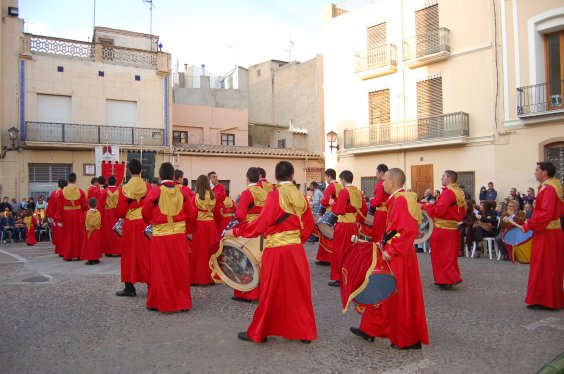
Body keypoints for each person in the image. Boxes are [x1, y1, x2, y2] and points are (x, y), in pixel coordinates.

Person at [225, 161, 316, 344]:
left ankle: (261, 332)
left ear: (275, 176)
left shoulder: (274, 196)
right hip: (296, 250)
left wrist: (236, 232)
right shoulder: (300, 196)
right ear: (291, 175)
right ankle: (304, 332)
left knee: (269, 291)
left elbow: (261, 223)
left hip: (276, 251)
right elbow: (309, 226)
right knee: (299, 291)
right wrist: (296, 241)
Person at [349, 168, 429, 350]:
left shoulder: (401, 201)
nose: (381, 183)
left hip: (398, 256)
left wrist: (391, 250)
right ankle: (370, 329)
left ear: (392, 183)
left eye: (384, 180)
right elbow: (398, 230)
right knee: (384, 292)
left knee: (397, 296)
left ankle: (407, 339)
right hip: (396, 253)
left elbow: (406, 231)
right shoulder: (400, 200)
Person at [142, 162, 196, 313]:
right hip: (178, 235)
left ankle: (159, 302)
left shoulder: (155, 192)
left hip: (160, 236)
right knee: (180, 268)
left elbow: (145, 213)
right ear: (174, 176)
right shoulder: (183, 192)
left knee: (161, 269)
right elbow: (192, 214)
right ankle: (183, 302)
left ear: (159, 176)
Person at [520, 162, 563, 310]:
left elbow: (546, 213)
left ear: (544, 172)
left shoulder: (549, 189)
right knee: (547, 266)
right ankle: (545, 298)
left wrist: (529, 224)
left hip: (547, 233)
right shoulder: (551, 187)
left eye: (537, 170)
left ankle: (545, 300)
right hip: (549, 231)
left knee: (544, 266)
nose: (535, 173)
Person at [115, 159, 152, 297]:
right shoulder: (148, 186)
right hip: (143, 221)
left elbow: (120, 210)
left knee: (129, 254)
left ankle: (129, 287)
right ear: (141, 170)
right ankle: (150, 284)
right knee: (146, 253)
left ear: (129, 171)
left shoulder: (124, 188)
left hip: (130, 223)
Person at [422, 170, 465, 289]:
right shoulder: (458, 192)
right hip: (453, 228)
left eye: (443, 177)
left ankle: (444, 280)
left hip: (442, 229)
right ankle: (452, 277)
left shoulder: (447, 193)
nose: (442, 179)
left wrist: (427, 207)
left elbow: (439, 211)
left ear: (449, 179)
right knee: (450, 256)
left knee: (440, 255)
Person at [230, 167, 267, 302]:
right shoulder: (264, 192)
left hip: (250, 229)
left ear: (247, 178)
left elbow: (240, 215)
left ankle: (247, 293)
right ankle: (262, 291)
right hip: (263, 230)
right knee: (260, 260)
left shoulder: (247, 193)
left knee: (246, 260)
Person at [328, 170, 367, 287]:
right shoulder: (358, 192)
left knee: (339, 251)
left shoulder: (344, 192)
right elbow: (364, 210)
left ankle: (339, 277)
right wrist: (358, 222)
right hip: (353, 226)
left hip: (343, 226)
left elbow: (340, 210)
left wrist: (332, 203)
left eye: (341, 180)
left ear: (343, 180)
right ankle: (352, 275)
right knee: (352, 251)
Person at [191, 174, 221, 286]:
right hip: (211, 224)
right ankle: (212, 277)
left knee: (199, 252)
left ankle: (199, 278)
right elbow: (218, 213)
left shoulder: (196, 196)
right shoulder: (213, 195)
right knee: (211, 251)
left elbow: (192, 213)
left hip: (200, 225)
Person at [56, 172, 88, 261]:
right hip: (78, 214)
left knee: (68, 235)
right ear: (75, 179)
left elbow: (59, 207)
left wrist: (59, 219)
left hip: (67, 215)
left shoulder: (61, 192)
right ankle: (79, 255)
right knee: (79, 234)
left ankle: (68, 255)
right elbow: (85, 206)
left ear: (67, 180)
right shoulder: (80, 191)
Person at [316, 168, 343, 266]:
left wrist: (320, 210)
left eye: (326, 177)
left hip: (330, 213)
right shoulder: (340, 186)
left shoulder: (331, 187)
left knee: (325, 235)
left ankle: (326, 258)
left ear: (329, 177)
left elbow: (325, 200)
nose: (326, 179)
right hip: (338, 214)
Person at [97, 175, 122, 257]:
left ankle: (108, 251)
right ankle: (119, 250)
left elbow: (100, 205)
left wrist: (100, 215)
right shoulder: (120, 191)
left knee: (108, 232)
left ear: (108, 182)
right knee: (118, 231)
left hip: (107, 213)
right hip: (117, 213)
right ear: (115, 182)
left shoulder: (104, 191)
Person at [46, 179, 67, 255]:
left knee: (58, 235)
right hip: (65, 216)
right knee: (65, 235)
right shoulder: (67, 193)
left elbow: (50, 206)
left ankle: (59, 250)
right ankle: (65, 250)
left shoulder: (54, 193)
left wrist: (50, 217)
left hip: (56, 217)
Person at [370, 163, 390, 243]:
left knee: (379, 236)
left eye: (376, 173)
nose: (376, 175)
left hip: (381, 214)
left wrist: (372, 200)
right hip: (389, 212)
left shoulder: (380, 184)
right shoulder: (390, 183)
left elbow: (378, 202)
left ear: (381, 173)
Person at [81, 197, 102, 265]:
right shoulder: (99, 213)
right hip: (97, 231)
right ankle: (96, 258)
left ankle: (91, 259)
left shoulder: (85, 213)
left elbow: (82, 222)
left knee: (89, 245)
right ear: (97, 204)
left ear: (88, 204)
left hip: (89, 231)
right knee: (97, 245)